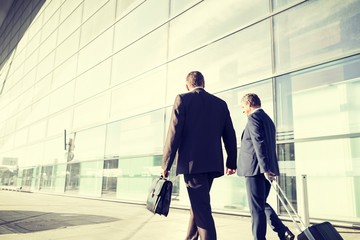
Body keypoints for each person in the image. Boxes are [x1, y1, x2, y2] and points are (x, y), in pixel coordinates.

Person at [162, 71, 237, 240]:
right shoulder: (220, 104)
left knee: (201, 209)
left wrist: (166, 165)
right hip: (213, 165)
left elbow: (173, 134)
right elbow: (230, 135)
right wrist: (231, 162)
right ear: (204, 83)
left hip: (192, 165)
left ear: (187, 85)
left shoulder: (182, 99)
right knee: (198, 206)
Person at [237, 93, 295, 240]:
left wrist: (264, 168)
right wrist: (269, 168)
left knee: (256, 209)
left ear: (249, 104)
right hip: (265, 169)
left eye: (243, 107)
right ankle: (283, 232)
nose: (243, 110)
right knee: (261, 204)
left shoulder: (253, 118)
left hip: (255, 170)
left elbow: (259, 143)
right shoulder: (268, 120)